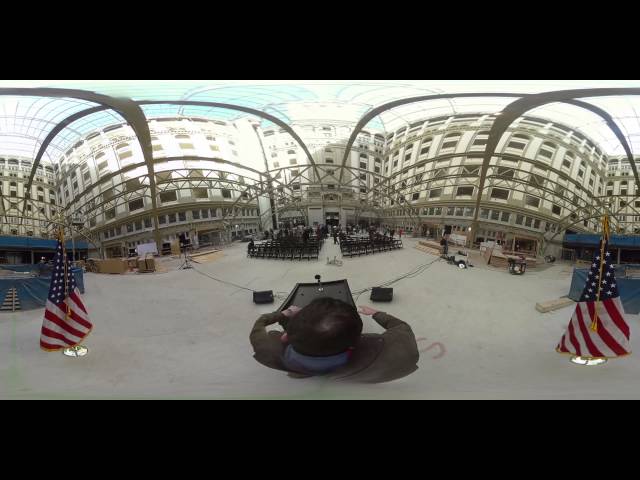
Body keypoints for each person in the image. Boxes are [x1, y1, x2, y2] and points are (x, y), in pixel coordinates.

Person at [249, 297, 419, 383]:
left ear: (285, 337)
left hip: (300, 370)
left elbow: (260, 324)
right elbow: (400, 326)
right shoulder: (401, 351)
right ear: (357, 341)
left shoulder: (266, 349)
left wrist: (284, 314)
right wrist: (375, 313)